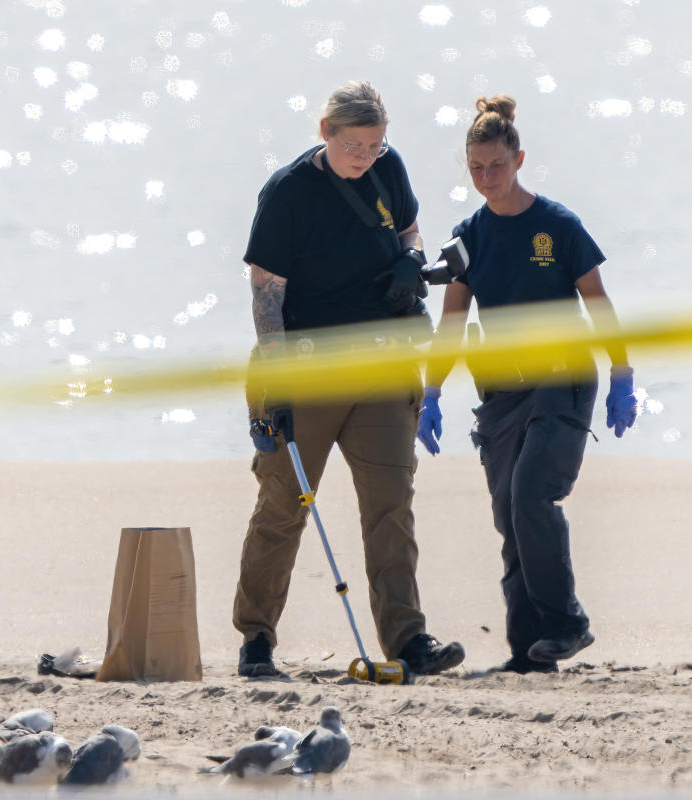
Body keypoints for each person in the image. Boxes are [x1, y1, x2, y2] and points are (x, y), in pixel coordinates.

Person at [234, 80, 464, 678]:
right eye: (354, 145)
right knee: (284, 506)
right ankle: (256, 639)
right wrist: (276, 383)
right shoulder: (288, 192)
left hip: (385, 367)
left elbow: (411, 230)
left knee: (391, 506)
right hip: (308, 369)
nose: (365, 157)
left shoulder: (389, 169)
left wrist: (411, 262)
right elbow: (266, 293)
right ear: (325, 134)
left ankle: (408, 639)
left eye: (375, 144)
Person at [417, 95, 638, 675]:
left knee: (531, 496)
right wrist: (431, 392)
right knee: (508, 515)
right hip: (501, 394)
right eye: (475, 169)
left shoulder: (558, 226)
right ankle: (528, 647)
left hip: (560, 383)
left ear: (519, 158)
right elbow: (451, 323)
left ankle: (568, 623)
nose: (486, 178)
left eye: (496, 165)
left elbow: (599, 304)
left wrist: (622, 374)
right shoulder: (468, 238)